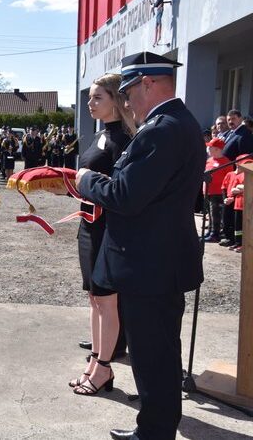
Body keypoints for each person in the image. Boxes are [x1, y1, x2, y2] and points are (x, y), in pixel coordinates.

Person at [76, 52, 204, 440]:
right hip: (160, 262)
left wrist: (85, 181)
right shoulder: (178, 124)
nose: (127, 101)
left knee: (153, 358)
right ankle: (156, 427)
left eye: (129, 91)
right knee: (161, 354)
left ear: (148, 83)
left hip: (149, 265)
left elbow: (126, 195)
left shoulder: (161, 130)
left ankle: (153, 433)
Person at [67, 74, 135, 397]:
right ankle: (95, 361)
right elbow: (87, 180)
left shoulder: (124, 139)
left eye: (98, 98)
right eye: (90, 98)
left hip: (109, 228)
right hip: (88, 226)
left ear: (116, 100)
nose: (90, 103)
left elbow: (120, 190)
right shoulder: (98, 135)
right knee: (94, 298)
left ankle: (105, 367)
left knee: (107, 301)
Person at [202, 138, 232, 243]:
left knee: (216, 214)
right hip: (208, 192)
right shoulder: (209, 160)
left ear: (217, 149)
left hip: (218, 193)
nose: (208, 149)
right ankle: (210, 231)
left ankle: (215, 234)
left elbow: (229, 179)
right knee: (209, 213)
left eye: (210, 147)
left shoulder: (226, 162)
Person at [224, 158, 249, 253]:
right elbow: (234, 189)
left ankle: (245, 244)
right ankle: (238, 242)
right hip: (238, 204)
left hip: (248, 205)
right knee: (238, 226)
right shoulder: (239, 175)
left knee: (246, 226)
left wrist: (242, 188)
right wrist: (241, 188)